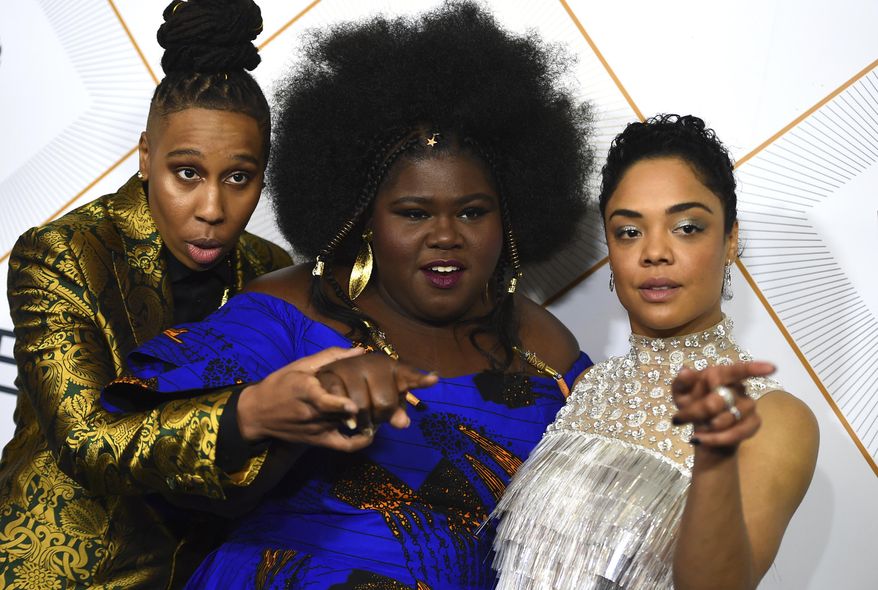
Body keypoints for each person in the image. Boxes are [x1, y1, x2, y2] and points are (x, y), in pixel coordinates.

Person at [102, 2, 595, 588]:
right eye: (413, 213)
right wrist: (282, 409)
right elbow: (141, 445)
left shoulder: (548, 351)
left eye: (472, 212)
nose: (445, 236)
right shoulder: (290, 310)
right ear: (365, 219)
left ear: (510, 218)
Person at [0, 1, 296, 587]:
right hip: (65, 571)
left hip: (206, 571)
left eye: (239, 177)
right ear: (144, 158)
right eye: (186, 172)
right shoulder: (63, 253)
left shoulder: (271, 269)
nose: (212, 209)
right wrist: (251, 416)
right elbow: (88, 441)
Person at [489, 114, 819, 590]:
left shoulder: (775, 419)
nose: (655, 252)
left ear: (730, 240)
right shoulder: (588, 386)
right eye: (629, 231)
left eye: (687, 227)